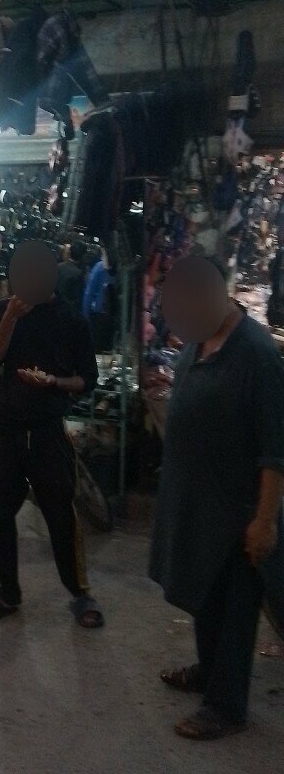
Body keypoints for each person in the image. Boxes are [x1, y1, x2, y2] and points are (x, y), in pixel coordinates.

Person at [150, 255, 284, 740]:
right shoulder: (200, 341)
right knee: (205, 598)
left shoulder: (257, 354)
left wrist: (265, 520)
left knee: (233, 612)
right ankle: (209, 673)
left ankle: (226, 706)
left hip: (238, 513)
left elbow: (275, 450)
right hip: (199, 508)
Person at [0, 241, 104, 629]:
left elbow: (87, 381)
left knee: (61, 517)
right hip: (6, 431)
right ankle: (8, 593)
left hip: (47, 432)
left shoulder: (72, 322)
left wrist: (55, 382)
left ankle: (80, 593)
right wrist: (10, 318)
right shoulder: (3, 310)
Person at [57, 240, 86, 313]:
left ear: (70, 252)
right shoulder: (78, 274)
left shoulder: (59, 267)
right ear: (83, 256)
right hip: (66, 312)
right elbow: (77, 299)